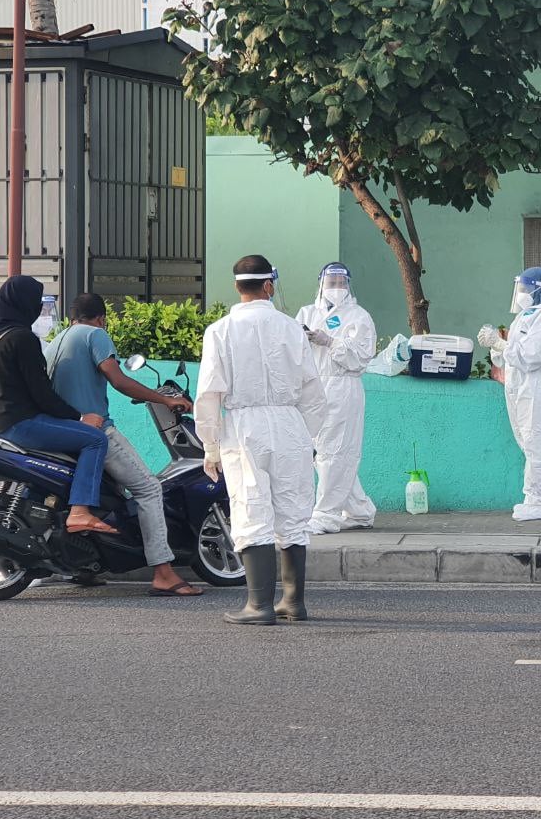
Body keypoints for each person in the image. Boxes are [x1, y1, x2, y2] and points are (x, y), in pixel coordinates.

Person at [195, 256, 328, 626]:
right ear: (269, 285)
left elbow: (209, 394)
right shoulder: (291, 328)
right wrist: (307, 435)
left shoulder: (220, 331)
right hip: (290, 423)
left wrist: (210, 445)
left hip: (245, 425)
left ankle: (259, 605)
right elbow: (313, 391)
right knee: (293, 510)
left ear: (237, 286)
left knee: (250, 505)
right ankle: (293, 602)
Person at [45, 293, 204, 597]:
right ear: (101, 319)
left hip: (65, 431)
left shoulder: (57, 341)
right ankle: (164, 573)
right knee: (149, 488)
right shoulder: (96, 335)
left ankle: (86, 566)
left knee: (109, 494)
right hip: (96, 431)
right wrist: (165, 399)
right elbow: (118, 380)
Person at [0, 275, 112, 536]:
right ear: (23, 302)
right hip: (19, 424)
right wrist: (81, 418)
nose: (38, 308)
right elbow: (42, 394)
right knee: (95, 440)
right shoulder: (22, 338)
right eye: (36, 301)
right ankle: (80, 510)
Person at [481, 268, 541, 522]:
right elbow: (514, 352)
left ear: (539, 289)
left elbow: (529, 355)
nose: (521, 293)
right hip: (524, 389)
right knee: (530, 443)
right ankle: (539, 499)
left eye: (525, 287)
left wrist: (499, 343)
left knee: (540, 443)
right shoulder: (527, 315)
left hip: (540, 389)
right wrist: (496, 347)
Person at [295, 263, 378, 535]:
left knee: (336, 452)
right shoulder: (307, 313)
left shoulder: (358, 316)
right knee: (321, 454)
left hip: (343, 388)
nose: (337, 287)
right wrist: (304, 339)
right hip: (313, 388)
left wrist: (330, 342)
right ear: (321, 284)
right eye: (331, 282)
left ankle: (325, 515)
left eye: (342, 283)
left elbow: (361, 357)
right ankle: (360, 511)